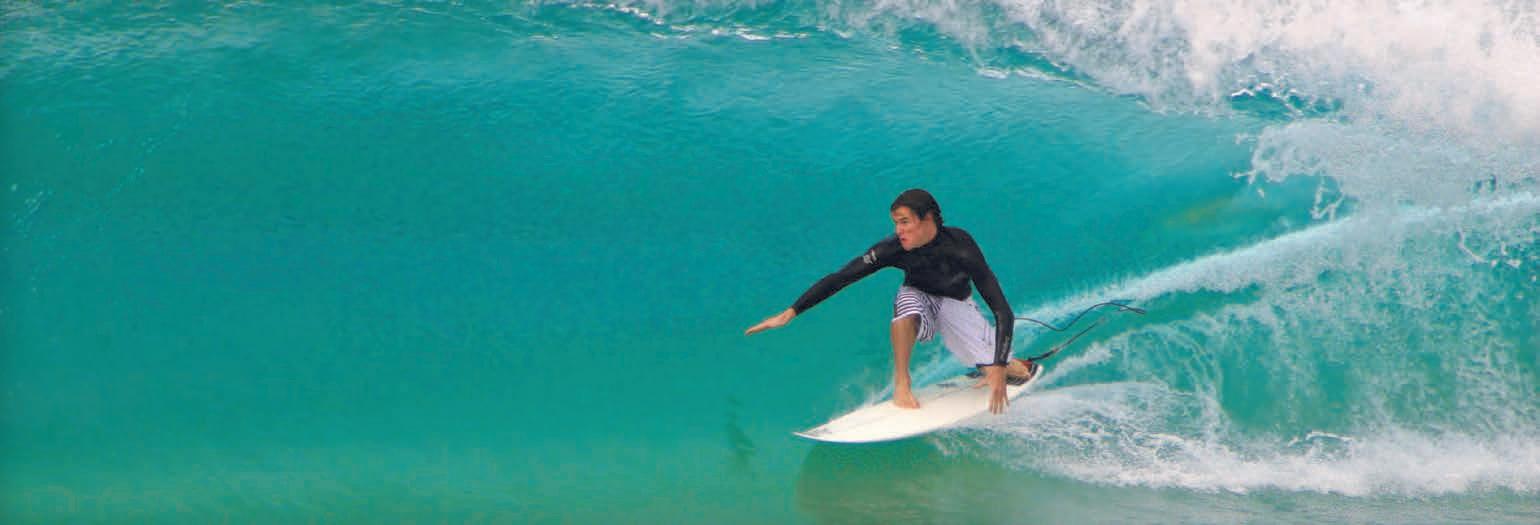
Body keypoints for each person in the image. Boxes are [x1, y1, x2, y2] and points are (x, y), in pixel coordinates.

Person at [745, 188, 1037, 414]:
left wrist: (999, 365)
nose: (899, 230)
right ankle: (902, 383)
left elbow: (1002, 310)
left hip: (956, 304)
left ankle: (1007, 365)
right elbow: (841, 277)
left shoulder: (961, 246)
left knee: (996, 368)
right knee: (906, 308)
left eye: (905, 222)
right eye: (896, 223)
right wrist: (792, 311)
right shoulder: (892, 249)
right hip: (918, 297)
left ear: (928, 220)